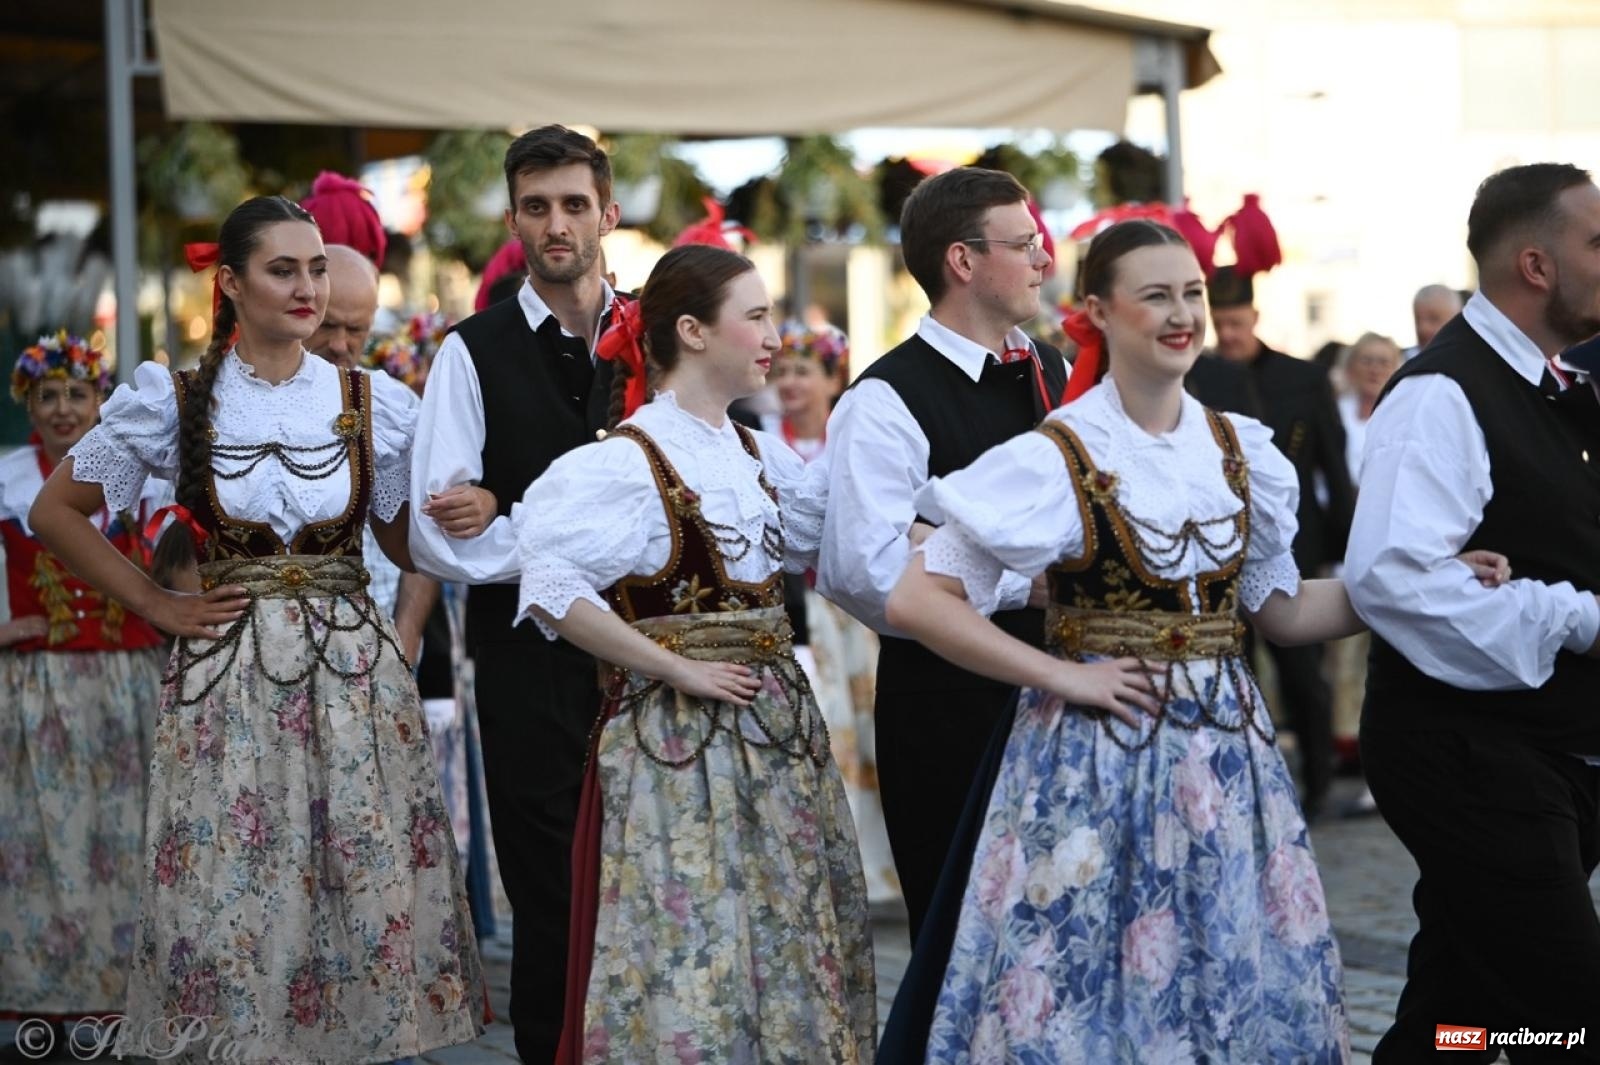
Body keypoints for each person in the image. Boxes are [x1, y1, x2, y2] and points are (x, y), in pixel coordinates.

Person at [877, 220, 1509, 1062]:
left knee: (1223, 973)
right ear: (1097, 311)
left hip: (1222, 761)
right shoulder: (1058, 455)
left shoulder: (1236, 449)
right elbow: (920, 598)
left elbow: (1280, 612)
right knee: (1091, 987)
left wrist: (1420, 580)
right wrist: (1062, 677)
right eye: (1156, 295)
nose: (1182, 315)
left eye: (1192, 295)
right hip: (1094, 761)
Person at [28, 196, 485, 1063]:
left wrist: (473, 512)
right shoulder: (177, 398)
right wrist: (158, 605)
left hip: (351, 678)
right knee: (235, 881)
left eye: (317, 267)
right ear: (232, 283)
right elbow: (58, 510)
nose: (308, 286)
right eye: (285, 269)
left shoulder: (368, 398)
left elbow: (405, 540)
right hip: (228, 677)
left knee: (352, 879)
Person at [516, 244, 875, 1062]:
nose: (772, 335)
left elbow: (842, 540)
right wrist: (673, 664)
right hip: (673, 745)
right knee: (689, 939)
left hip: (775, 737)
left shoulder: (756, 452)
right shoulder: (626, 461)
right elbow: (549, 583)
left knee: (783, 932)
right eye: (754, 316)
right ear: (692, 330)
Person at [1350, 163, 1600, 1061]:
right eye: (1597, 243)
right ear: (1537, 265)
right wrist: (1577, 616)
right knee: (1568, 1018)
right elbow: (1394, 578)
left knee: (1462, 1008)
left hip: (1542, 751)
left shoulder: (1555, 384)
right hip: (1471, 756)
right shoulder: (1441, 392)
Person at [408, 124, 621, 1063]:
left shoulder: (660, 331)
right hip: (528, 653)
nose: (557, 223)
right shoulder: (472, 350)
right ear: (513, 219)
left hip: (653, 649)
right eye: (537, 206)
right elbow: (437, 531)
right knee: (548, 896)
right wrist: (548, 540)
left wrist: (516, 509)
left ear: (608, 213)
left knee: (651, 880)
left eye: (574, 203)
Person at [816, 166, 1068, 936]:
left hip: (1067, 696)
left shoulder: (1058, 371)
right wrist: (1027, 582)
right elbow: (866, 571)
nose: (1044, 260)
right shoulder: (884, 399)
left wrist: (951, 550)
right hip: (953, 711)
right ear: (963, 261)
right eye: (1024, 243)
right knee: (968, 943)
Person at [0, 334, 167, 1031]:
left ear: (101, 401)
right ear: (29, 406)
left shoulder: (137, 473)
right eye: (49, 396)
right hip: (41, 684)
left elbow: (175, 554)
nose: (65, 408)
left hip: (131, 678)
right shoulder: (8, 477)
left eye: (78, 394)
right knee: (44, 835)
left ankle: (127, 987)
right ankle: (45, 988)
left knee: (133, 831)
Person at [1206, 265, 1354, 820]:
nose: (1229, 333)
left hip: (1297, 541)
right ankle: (1243, 788)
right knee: (1231, 672)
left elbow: (1332, 463)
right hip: (1216, 547)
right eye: (1220, 323)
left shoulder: (1302, 377)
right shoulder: (1200, 375)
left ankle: (1318, 785)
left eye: (1237, 321)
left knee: (1303, 677)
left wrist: (1344, 539)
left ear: (1255, 317)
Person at [771, 318, 899, 902]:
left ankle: (873, 870)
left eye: (804, 370)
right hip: (797, 612)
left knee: (865, 738)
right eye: (783, 370)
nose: (790, 382)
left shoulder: (847, 441)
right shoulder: (764, 437)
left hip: (847, 614)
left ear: (832, 378)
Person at [1401, 283, 1463, 360]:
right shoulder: (1399, 363)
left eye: (1433, 319)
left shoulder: (1474, 361)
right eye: (1418, 319)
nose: (1423, 328)